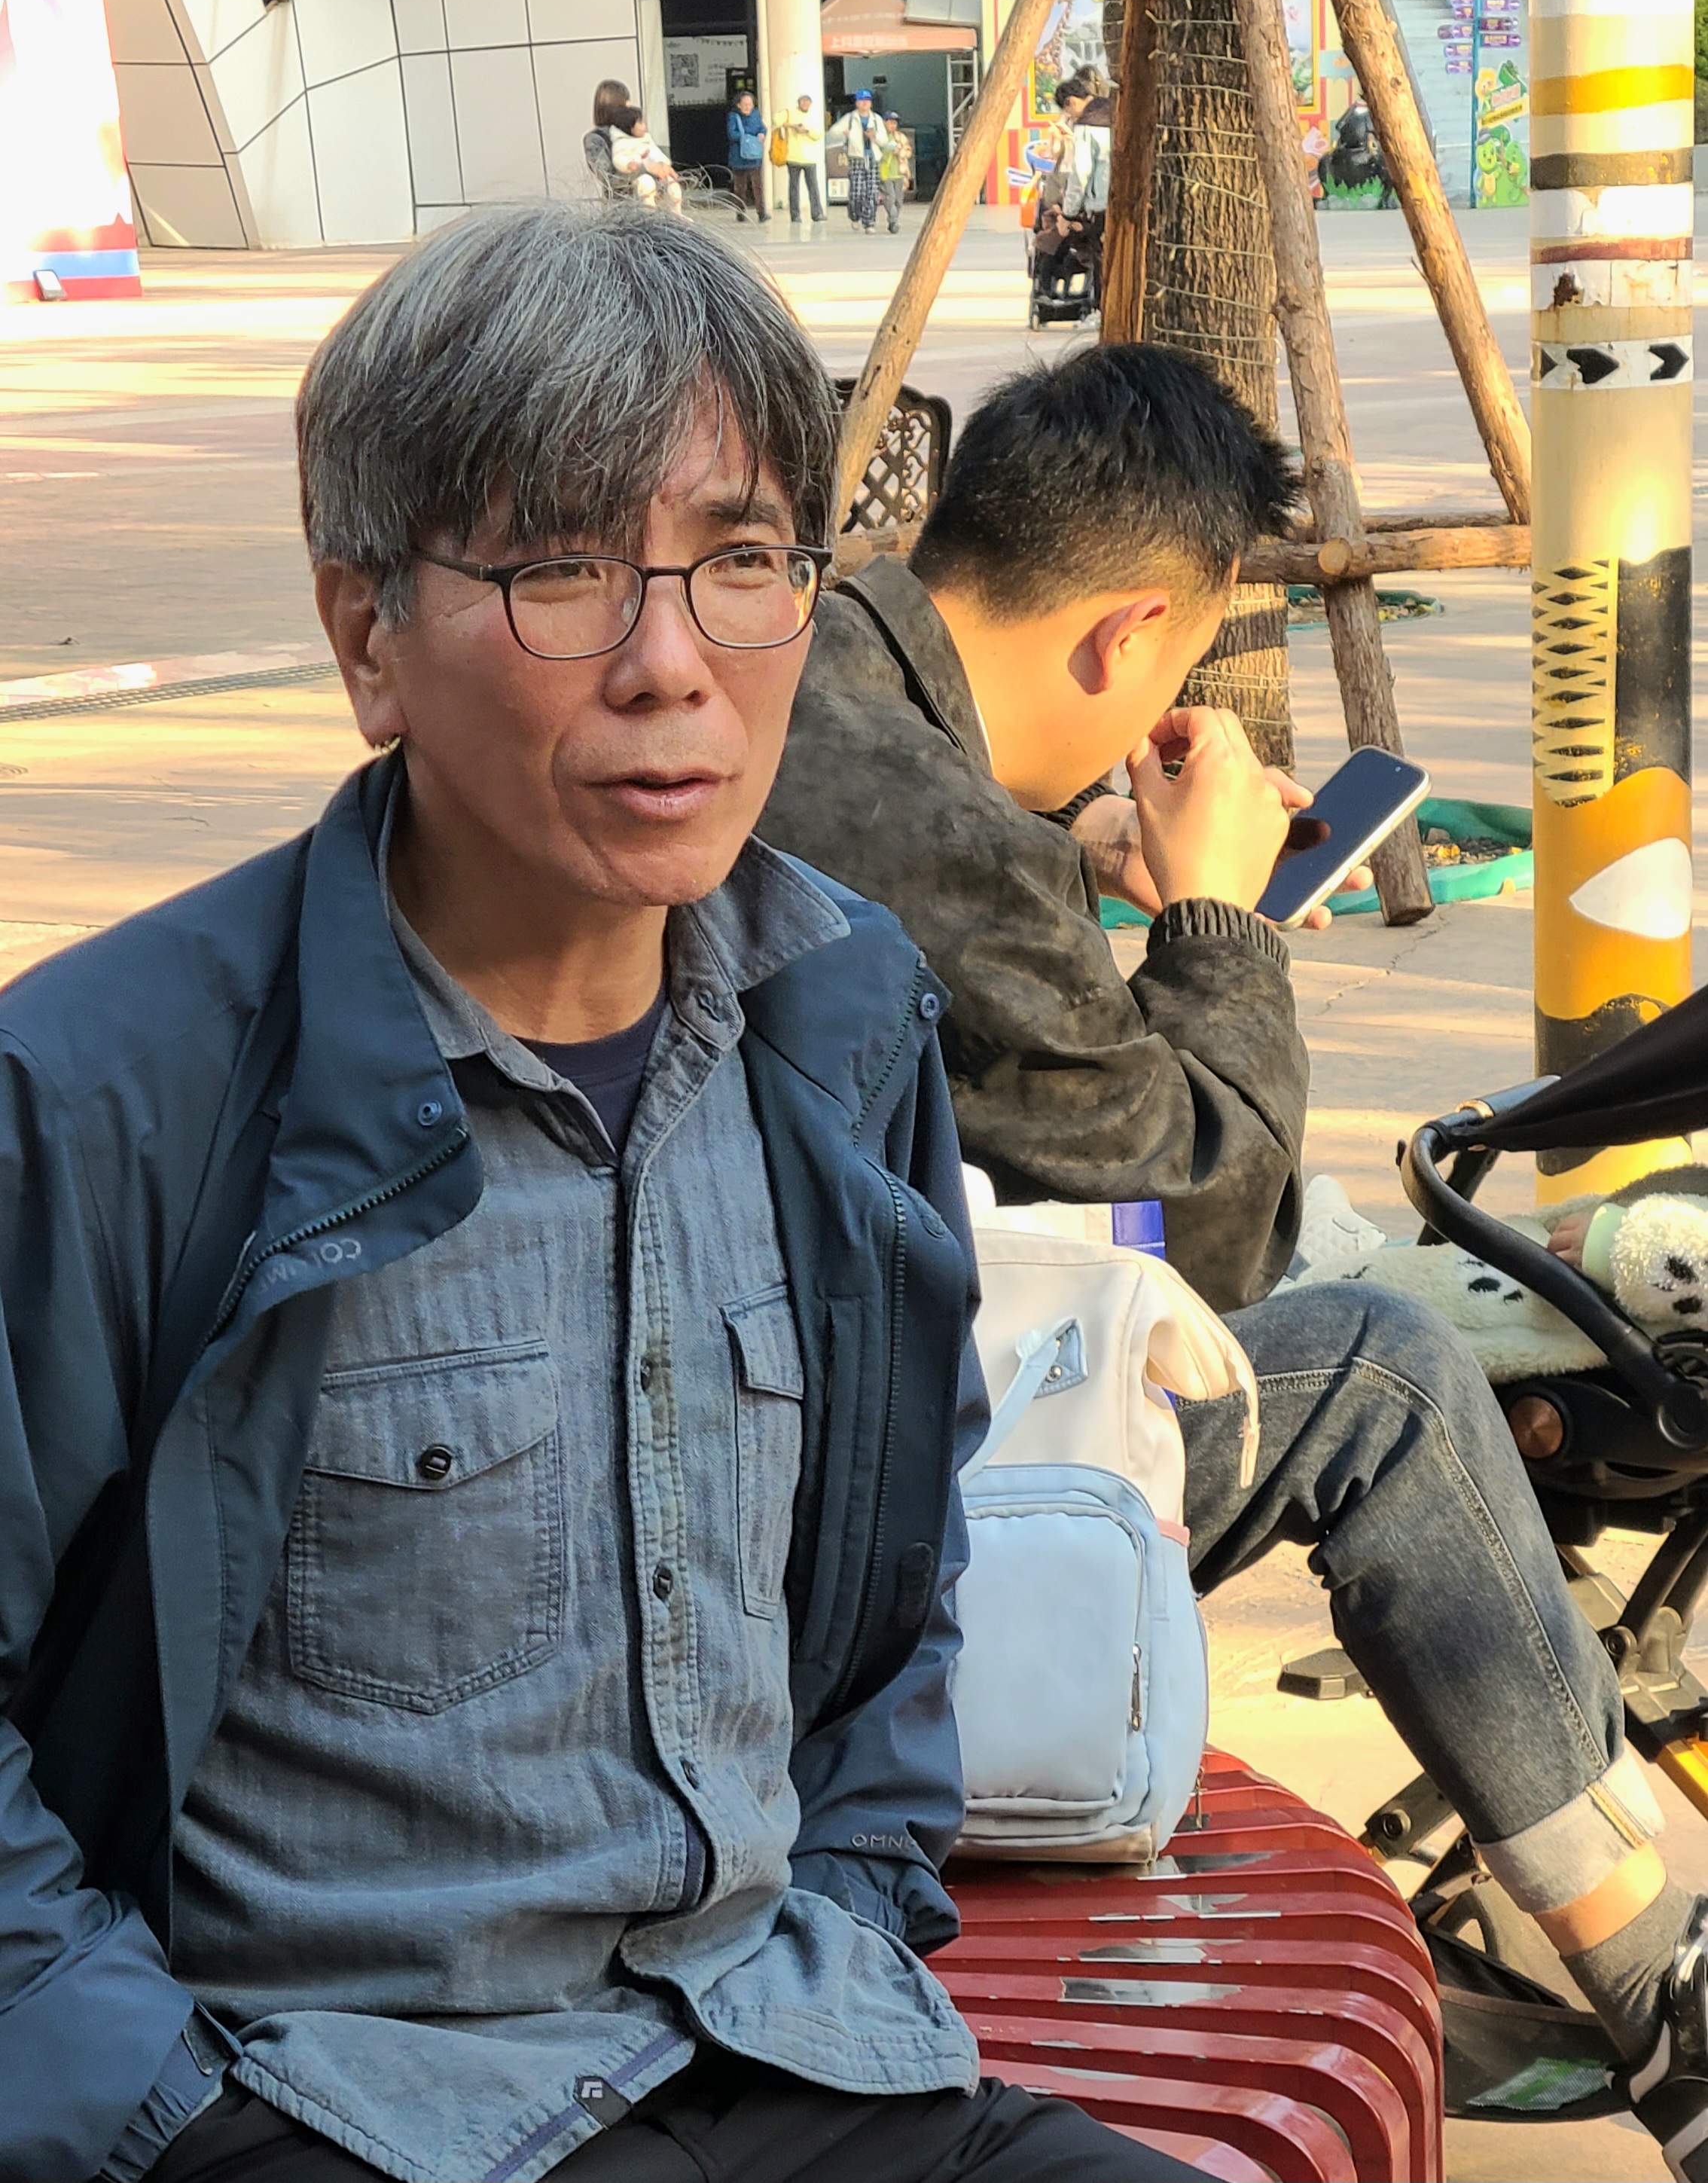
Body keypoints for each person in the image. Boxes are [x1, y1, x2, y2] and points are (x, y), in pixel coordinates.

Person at [0, 206, 1203, 2183]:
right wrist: (172, 2120)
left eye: (739, 560)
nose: (669, 667)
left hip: (783, 2039)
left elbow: (897, 1583)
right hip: (337, 2098)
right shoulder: (111, 1096)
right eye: (560, 570)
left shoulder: (842, 1018)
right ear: (368, 637)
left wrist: (859, 1905)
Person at [761, 340, 1708, 2173]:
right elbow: (1209, 1214)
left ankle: (1623, 1932)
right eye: (1177, 660)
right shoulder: (939, 829)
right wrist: (1215, 911)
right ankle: (1659, 1975)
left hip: (769, 1402)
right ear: (1130, 633)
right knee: (1380, 1365)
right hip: (837, 1529)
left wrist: (1066, 840)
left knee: (1382, 1292)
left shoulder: (825, 671)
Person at [1055, 69, 1111, 298]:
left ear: (1071, 102)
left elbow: (1080, 173)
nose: (1070, 117)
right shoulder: (1112, 111)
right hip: (1126, 200)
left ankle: (1101, 306)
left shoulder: (1087, 126)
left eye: (1067, 112)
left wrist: (1068, 214)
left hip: (1101, 205)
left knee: (1102, 260)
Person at [828, 90, 888, 233]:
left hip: (873, 158)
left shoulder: (876, 119)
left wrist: (875, 136)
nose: (864, 103)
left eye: (867, 100)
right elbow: (833, 131)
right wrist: (845, 133)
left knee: (872, 192)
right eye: (861, 100)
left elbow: (884, 141)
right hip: (856, 158)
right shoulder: (850, 118)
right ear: (856, 103)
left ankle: (869, 223)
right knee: (857, 192)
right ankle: (855, 216)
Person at [608, 105, 682, 212]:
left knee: (674, 187)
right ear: (630, 127)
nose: (645, 126)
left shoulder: (646, 139)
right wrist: (628, 164)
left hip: (658, 173)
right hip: (639, 175)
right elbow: (618, 158)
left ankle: (676, 212)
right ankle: (650, 211)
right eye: (641, 123)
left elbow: (657, 152)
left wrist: (664, 163)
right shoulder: (622, 143)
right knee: (647, 185)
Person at [583, 76, 631, 199]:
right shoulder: (595, 139)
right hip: (620, 204)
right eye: (626, 102)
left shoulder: (631, 132)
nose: (630, 106)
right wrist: (637, 171)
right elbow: (606, 176)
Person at [726, 88, 768, 222]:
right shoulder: (734, 116)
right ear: (739, 105)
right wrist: (747, 137)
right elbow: (732, 133)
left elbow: (762, 128)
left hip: (754, 157)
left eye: (750, 104)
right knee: (740, 188)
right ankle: (740, 213)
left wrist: (762, 133)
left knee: (758, 186)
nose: (748, 107)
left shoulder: (755, 114)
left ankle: (762, 212)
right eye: (745, 104)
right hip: (739, 158)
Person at [783, 93, 826, 222]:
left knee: (813, 187)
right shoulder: (790, 113)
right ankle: (795, 215)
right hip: (793, 157)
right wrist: (793, 126)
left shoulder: (814, 117)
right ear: (798, 103)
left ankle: (817, 213)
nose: (805, 104)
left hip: (809, 158)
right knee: (794, 188)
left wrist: (806, 131)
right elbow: (778, 121)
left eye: (807, 102)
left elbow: (818, 134)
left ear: (810, 104)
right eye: (802, 102)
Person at [877, 111, 913, 234]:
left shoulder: (900, 137)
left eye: (895, 123)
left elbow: (908, 151)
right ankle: (894, 221)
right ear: (884, 123)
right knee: (889, 197)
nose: (893, 125)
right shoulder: (880, 137)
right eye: (890, 123)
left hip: (899, 172)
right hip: (886, 172)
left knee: (898, 199)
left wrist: (900, 152)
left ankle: (894, 220)